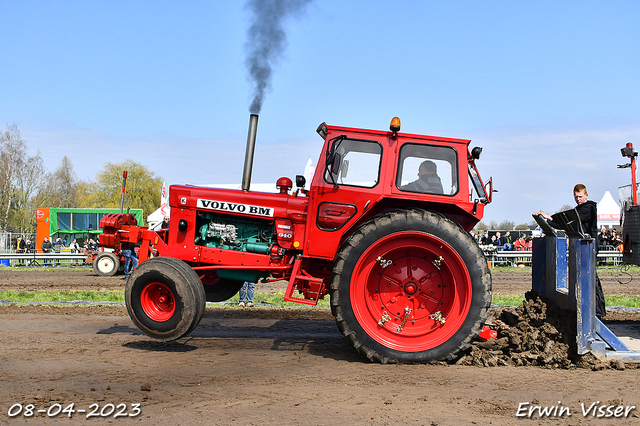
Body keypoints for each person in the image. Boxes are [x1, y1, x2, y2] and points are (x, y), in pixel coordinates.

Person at [534, 183, 606, 317]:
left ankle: (598, 311)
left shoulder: (588, 208)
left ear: (586, 195)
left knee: (591, 277)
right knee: (587, 277)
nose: (578, 199)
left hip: (589, 245)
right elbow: (566, 221)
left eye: (580, 196)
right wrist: (548, 218)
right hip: (583, 245)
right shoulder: (579, 209)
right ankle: (593, 310)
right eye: (576, 197)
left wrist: (549, 218)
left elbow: (571, 221)